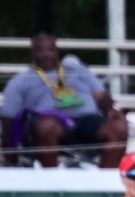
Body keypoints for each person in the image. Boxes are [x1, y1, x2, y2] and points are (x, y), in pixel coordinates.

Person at [1, 32, 128, 168]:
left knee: (118, 126)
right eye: (40, 50)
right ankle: (52, 180)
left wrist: (110, 110)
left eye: (50, 49)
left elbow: (101, 96)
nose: (46, 54)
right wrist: (10, 158)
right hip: (50, 123)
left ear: (56, 51)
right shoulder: (21, 80)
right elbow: (9, 119)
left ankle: (104, 180)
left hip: (87, 119)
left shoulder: (79, 71)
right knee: (47, 126)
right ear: (33, 53)